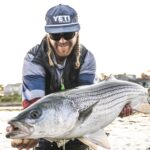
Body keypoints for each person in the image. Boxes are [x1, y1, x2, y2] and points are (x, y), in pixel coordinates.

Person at [6, 4, 132, 150]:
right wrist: (28, 134)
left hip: (80, 127)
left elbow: (89, 99)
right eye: (55, 35)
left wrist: (118, 108)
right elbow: (34, 103)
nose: (62, 40)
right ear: (48, 34)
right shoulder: (34, 58)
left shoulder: (87, 57)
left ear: (77, 33)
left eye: (68, 34)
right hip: (49, 130)